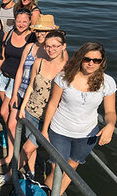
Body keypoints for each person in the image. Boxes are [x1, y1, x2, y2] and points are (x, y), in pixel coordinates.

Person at [0, 31, 67, 187]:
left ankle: (8, 177)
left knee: (26, 148)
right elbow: (31, 86)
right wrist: (22, 107)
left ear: (63, 46)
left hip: (49, 118)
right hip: (31, 111)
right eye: (48, 46)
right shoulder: (39, 62)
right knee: (29, 148)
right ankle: (31, 173)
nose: (51, 49)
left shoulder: (67, 69)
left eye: (55, 46)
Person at [42, 42, 116, 194]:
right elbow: (52, 104)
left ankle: (56, 193)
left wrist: (110, 125)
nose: (91, 63)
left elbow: (110, 112)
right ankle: (44, 192)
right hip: (60, 130)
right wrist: (44, 130)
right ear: (80, 58)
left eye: (96, 60)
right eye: (87, 59)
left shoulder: (107, 82)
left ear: (102, 62)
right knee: (57, 169)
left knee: (72, 167)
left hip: (87, 135)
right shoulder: (64, 77)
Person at [0, 9, 34, 166]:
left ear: (30, 21)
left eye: (25, 21)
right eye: (19, 21)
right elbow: (2, 56)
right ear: (14, 20)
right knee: (6, 113)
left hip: (18, 81)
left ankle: (11, 154)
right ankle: (13, 136)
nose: (21, 24)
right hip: (4, 77)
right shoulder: (8, 34)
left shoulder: (33, 38)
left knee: (6, 113)